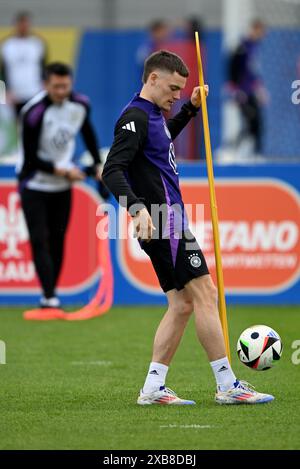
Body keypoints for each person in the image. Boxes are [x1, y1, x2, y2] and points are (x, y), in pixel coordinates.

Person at [102, 50, 274, 405]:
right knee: (206, 293)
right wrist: (138, 210)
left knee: (181, 304)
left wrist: (191, 109)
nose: (177, 94)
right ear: (152, 78)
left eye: (182, 89)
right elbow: (112, 171)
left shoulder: (153, 115)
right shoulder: (135, 116)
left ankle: (152, 388)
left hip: (168, 219)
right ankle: (227, 385)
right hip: (164, 220)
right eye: (174, 87)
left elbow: (162, 140)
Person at [17, 62, 102, 309]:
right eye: (56, 87)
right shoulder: (33, 112)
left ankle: (50, 295)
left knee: (58, 238)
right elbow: (31, 157)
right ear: (46, 85)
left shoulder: (81, 105)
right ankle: (49, 295)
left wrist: (96, 166)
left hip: (62, 186)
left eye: (65, 86)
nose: (61, 91)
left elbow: (88, 134)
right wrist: (63, 171)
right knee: (39, 238)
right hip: (34, 182)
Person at [228, 20, 267, 155]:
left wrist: (260, 89)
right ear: (254, 29)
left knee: (256, 123)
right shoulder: (242, 47)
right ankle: (234, 150)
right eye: (260, 31)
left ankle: (255, 153)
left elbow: (253, 72)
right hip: (243, 92)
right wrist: (235, 90)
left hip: (252, 91)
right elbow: (233, 68)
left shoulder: (255, 48)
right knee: (249, 120)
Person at [0, 11, 47, 118]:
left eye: (26, 23)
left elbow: (43, 68)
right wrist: (4, 93)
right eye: (21, 24)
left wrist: (44, 89)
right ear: (16, 25)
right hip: (14, 95)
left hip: (34, 92)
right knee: (15, 126)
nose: (23, 27)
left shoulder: (37, 43)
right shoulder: (7, 45)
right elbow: (2, 71)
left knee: (34, 124)